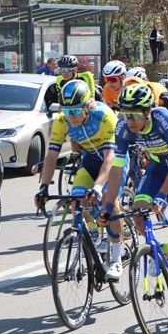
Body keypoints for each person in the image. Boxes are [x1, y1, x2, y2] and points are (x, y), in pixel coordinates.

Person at [101, 84, 168, 322]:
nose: (129, 120)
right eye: (125, 114)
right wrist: (108, 206)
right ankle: (156, 253)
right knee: (138, 212)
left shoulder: (164, 120)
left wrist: (161, 196)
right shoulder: (122, 127)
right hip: (156, 166)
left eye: (134, 115)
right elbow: (117, 169)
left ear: (148, 112)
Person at [34, 79, 127, 278]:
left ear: (88, 106)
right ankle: (92, 231)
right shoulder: (61, 121)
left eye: (75, 111)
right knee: (77, 199)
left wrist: (99, 186)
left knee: (110, 201)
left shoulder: (104, 116)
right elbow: (51, 155)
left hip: (114, 160)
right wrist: (43, 187)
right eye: (67, 112)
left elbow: (110, 157)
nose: (71, 117)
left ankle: (117, 258)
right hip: (91, 160)